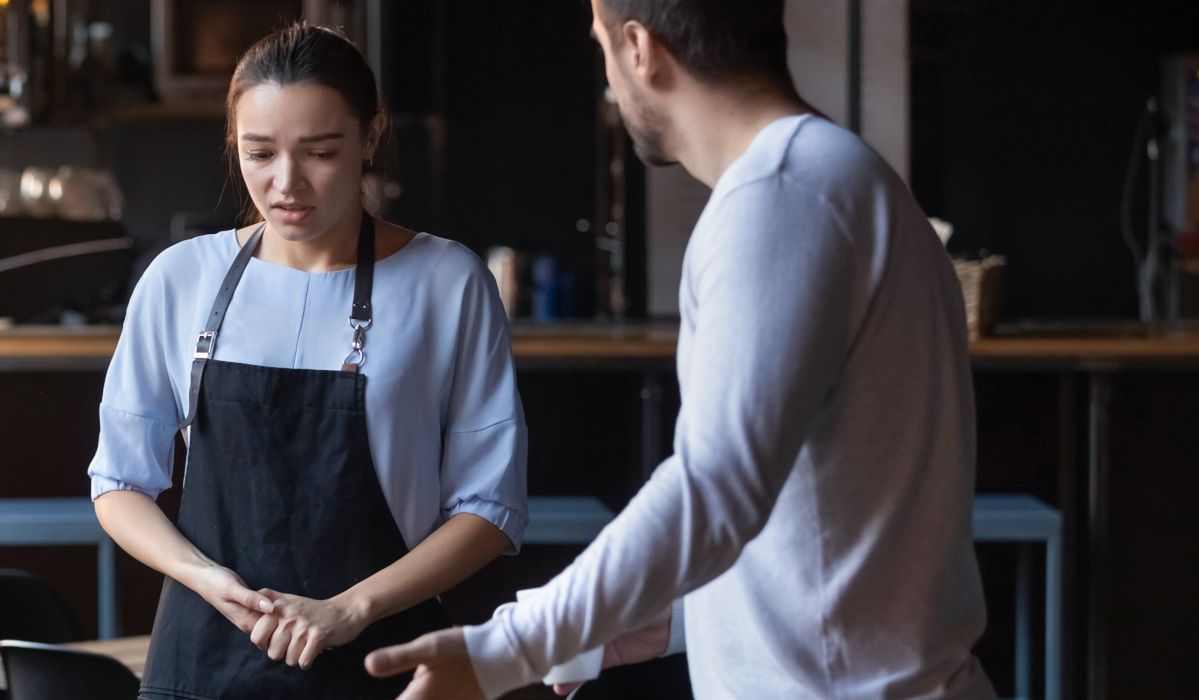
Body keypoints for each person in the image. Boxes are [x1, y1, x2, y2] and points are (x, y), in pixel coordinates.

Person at [364, 0, 997, 698]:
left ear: (639, 48)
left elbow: (714, 485)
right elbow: (820, 535)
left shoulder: (778, 195)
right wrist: (658, 621)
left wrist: (508, 648)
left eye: (601, 45)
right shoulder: (833, 177)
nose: (607, 75)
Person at [87, 23, 527, 699]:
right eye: (258, 154)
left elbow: (489, 510)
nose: (286, 184)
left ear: (371, 137)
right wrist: (204, 578)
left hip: (383, 665)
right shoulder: (181, 279)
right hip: (200, 664)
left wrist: (350, 608)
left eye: (320, 152)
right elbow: (118, 482)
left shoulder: (447, 281)